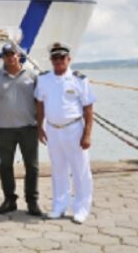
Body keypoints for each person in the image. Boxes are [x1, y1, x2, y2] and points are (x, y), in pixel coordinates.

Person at [35, 42, 95, 224]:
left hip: (74, 129)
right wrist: (40, 127)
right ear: (51, 60)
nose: (58, 61)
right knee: (58, 170)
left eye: (62, 57)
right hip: (53, 130)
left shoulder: (79, 80)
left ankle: (82, 208)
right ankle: (59, 206)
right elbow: (40, 103)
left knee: (80, 170)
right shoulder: (44, 79)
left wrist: (87, 134)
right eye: (55, 58)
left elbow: (88, 109)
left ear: (69, 59)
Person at [0, 43, 42, 216]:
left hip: (29, 127)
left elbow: (40, 101)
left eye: (13, 54)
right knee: (5, 166)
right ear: (3, 57)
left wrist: (41, 125)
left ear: (19, 55)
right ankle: (9, 199)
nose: (10, 57)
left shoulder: (32, 74)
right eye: (6, 54)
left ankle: (32, 201)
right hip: (6, 129)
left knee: (32, 166)